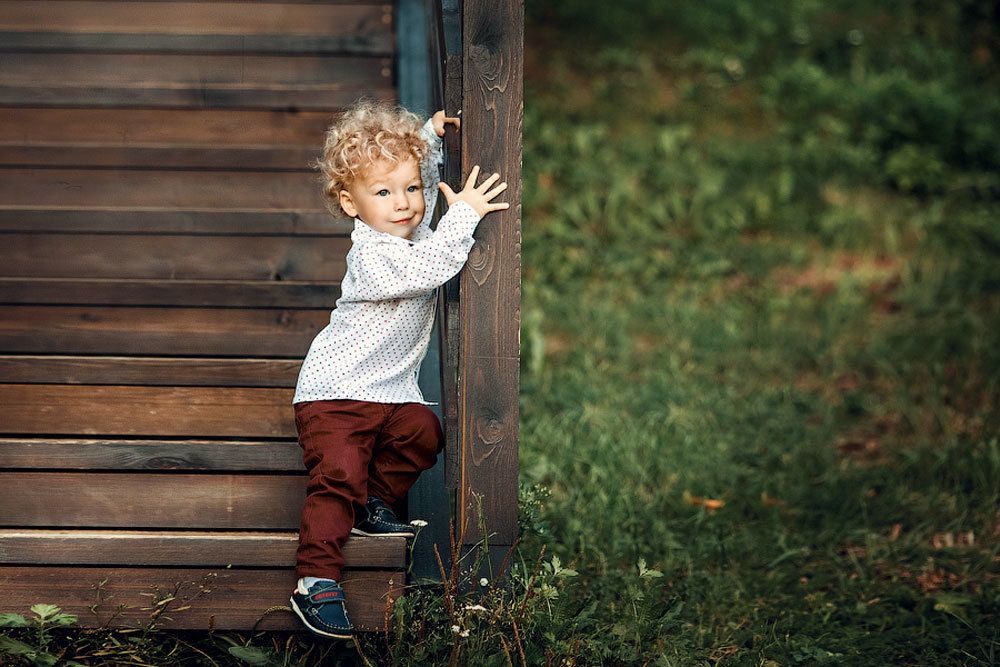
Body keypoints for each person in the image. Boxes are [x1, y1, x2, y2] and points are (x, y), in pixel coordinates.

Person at [288, 99, 509, 639]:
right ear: (350, 202)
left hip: (389, 393)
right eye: (382, 193)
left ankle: (374, 503)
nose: (404, 204)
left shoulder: (409, 231)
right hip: (334, 396)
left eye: (409, 188)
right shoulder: (376, 255)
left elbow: (425, 199)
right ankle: (315, 581)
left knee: (423, 432)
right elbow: (434, 265)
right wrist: (467, 215)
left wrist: (429, 143)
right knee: (338, 476)